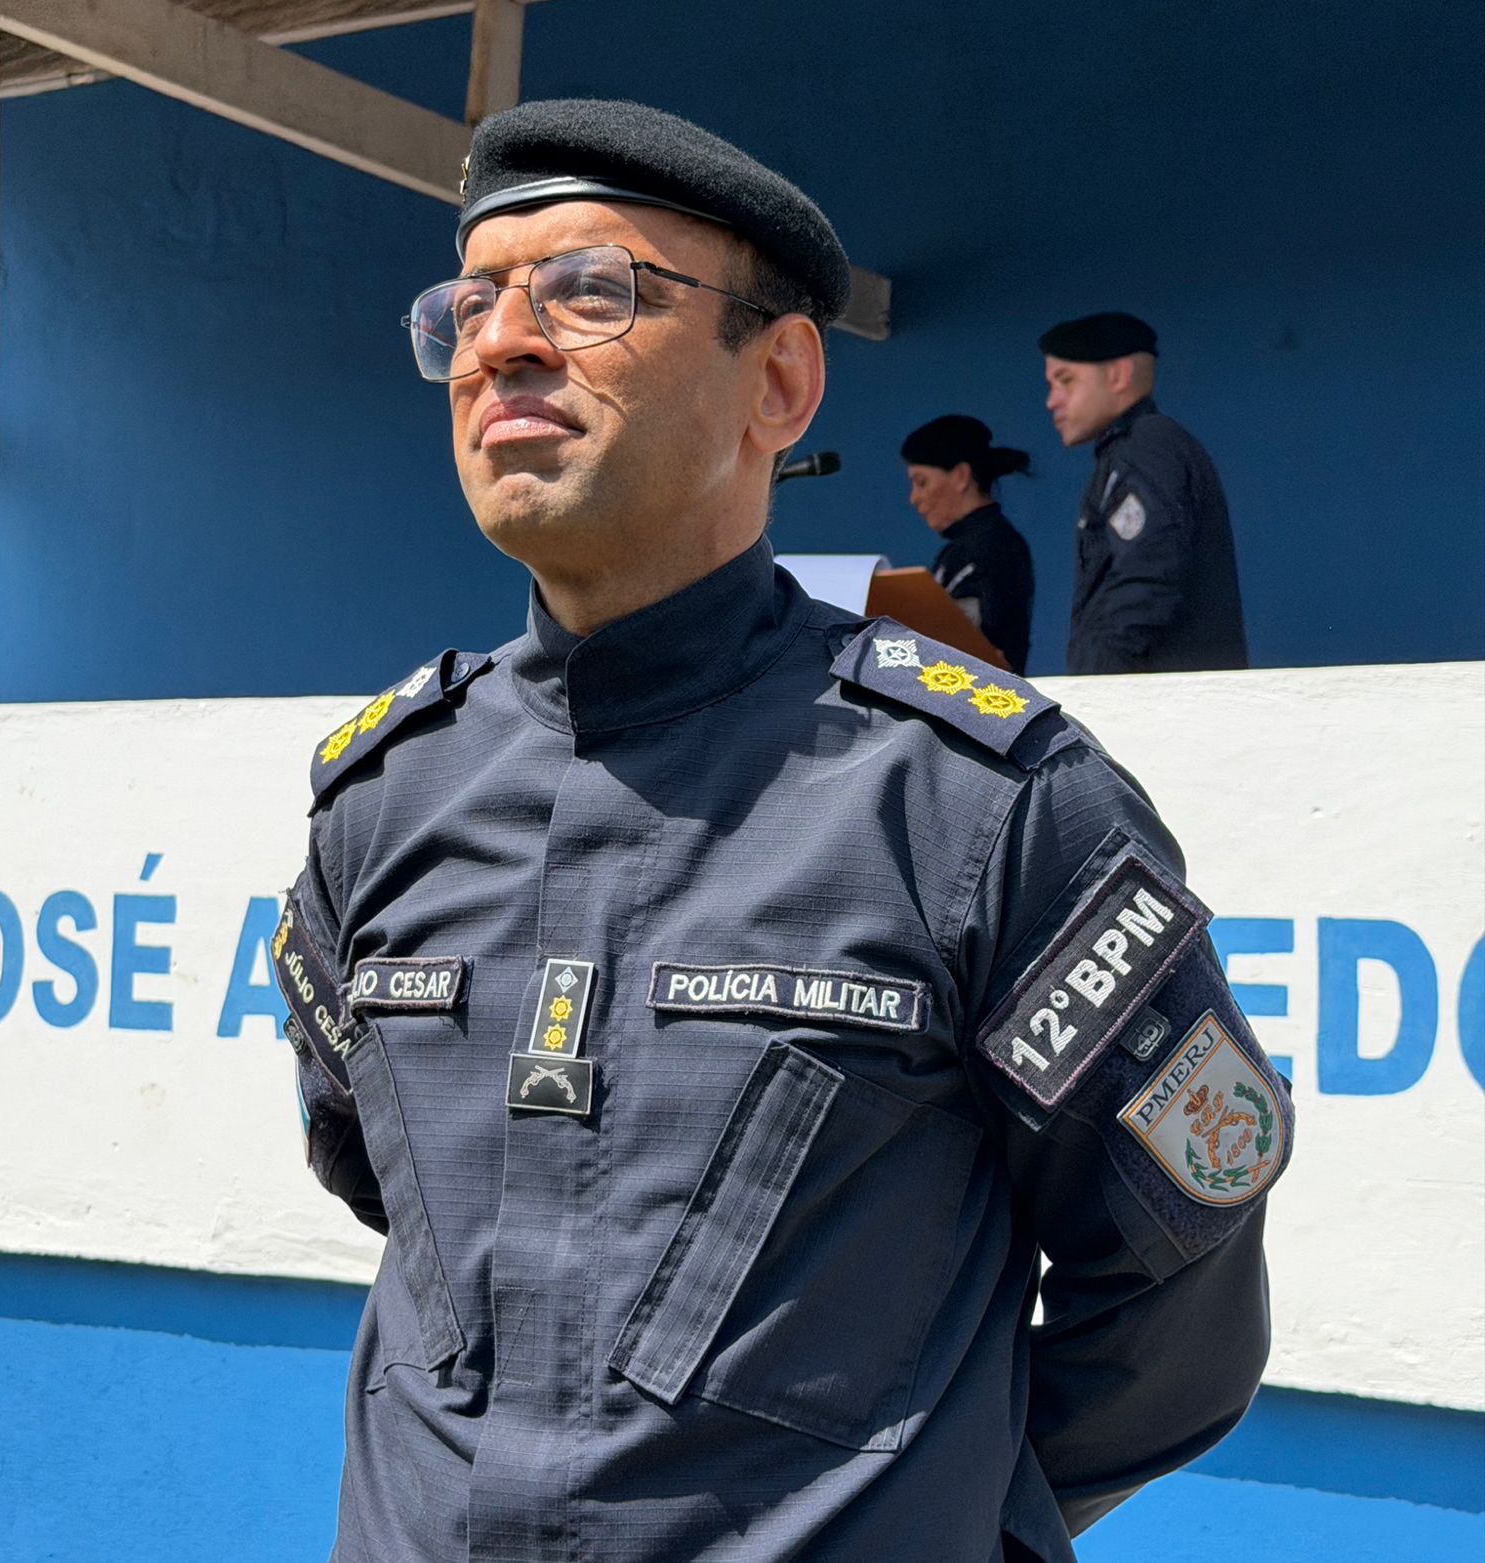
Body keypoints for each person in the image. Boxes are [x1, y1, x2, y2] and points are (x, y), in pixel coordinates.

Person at [273, 99, 1291, 1563]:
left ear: (781, 381)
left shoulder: (979, 803)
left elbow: (1177, 1283)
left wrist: (927, 1507)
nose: (503, 340)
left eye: (589, 288)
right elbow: (386, 1178)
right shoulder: (383, 801)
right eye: (473, 301)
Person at [1040, 312, 1248, 674]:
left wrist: (1099, 688)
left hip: (1160, 707)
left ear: (1117, 376)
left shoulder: (1145, 446)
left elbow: (1146, 578)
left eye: (1066, 381)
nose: (1052, 401)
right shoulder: (1138, 448)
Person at [901, 414, 1035, 673]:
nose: (914, 498)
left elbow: (971, 645)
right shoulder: (969, 547)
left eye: (921, 482)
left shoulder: (992, 546)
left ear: (961, 476)